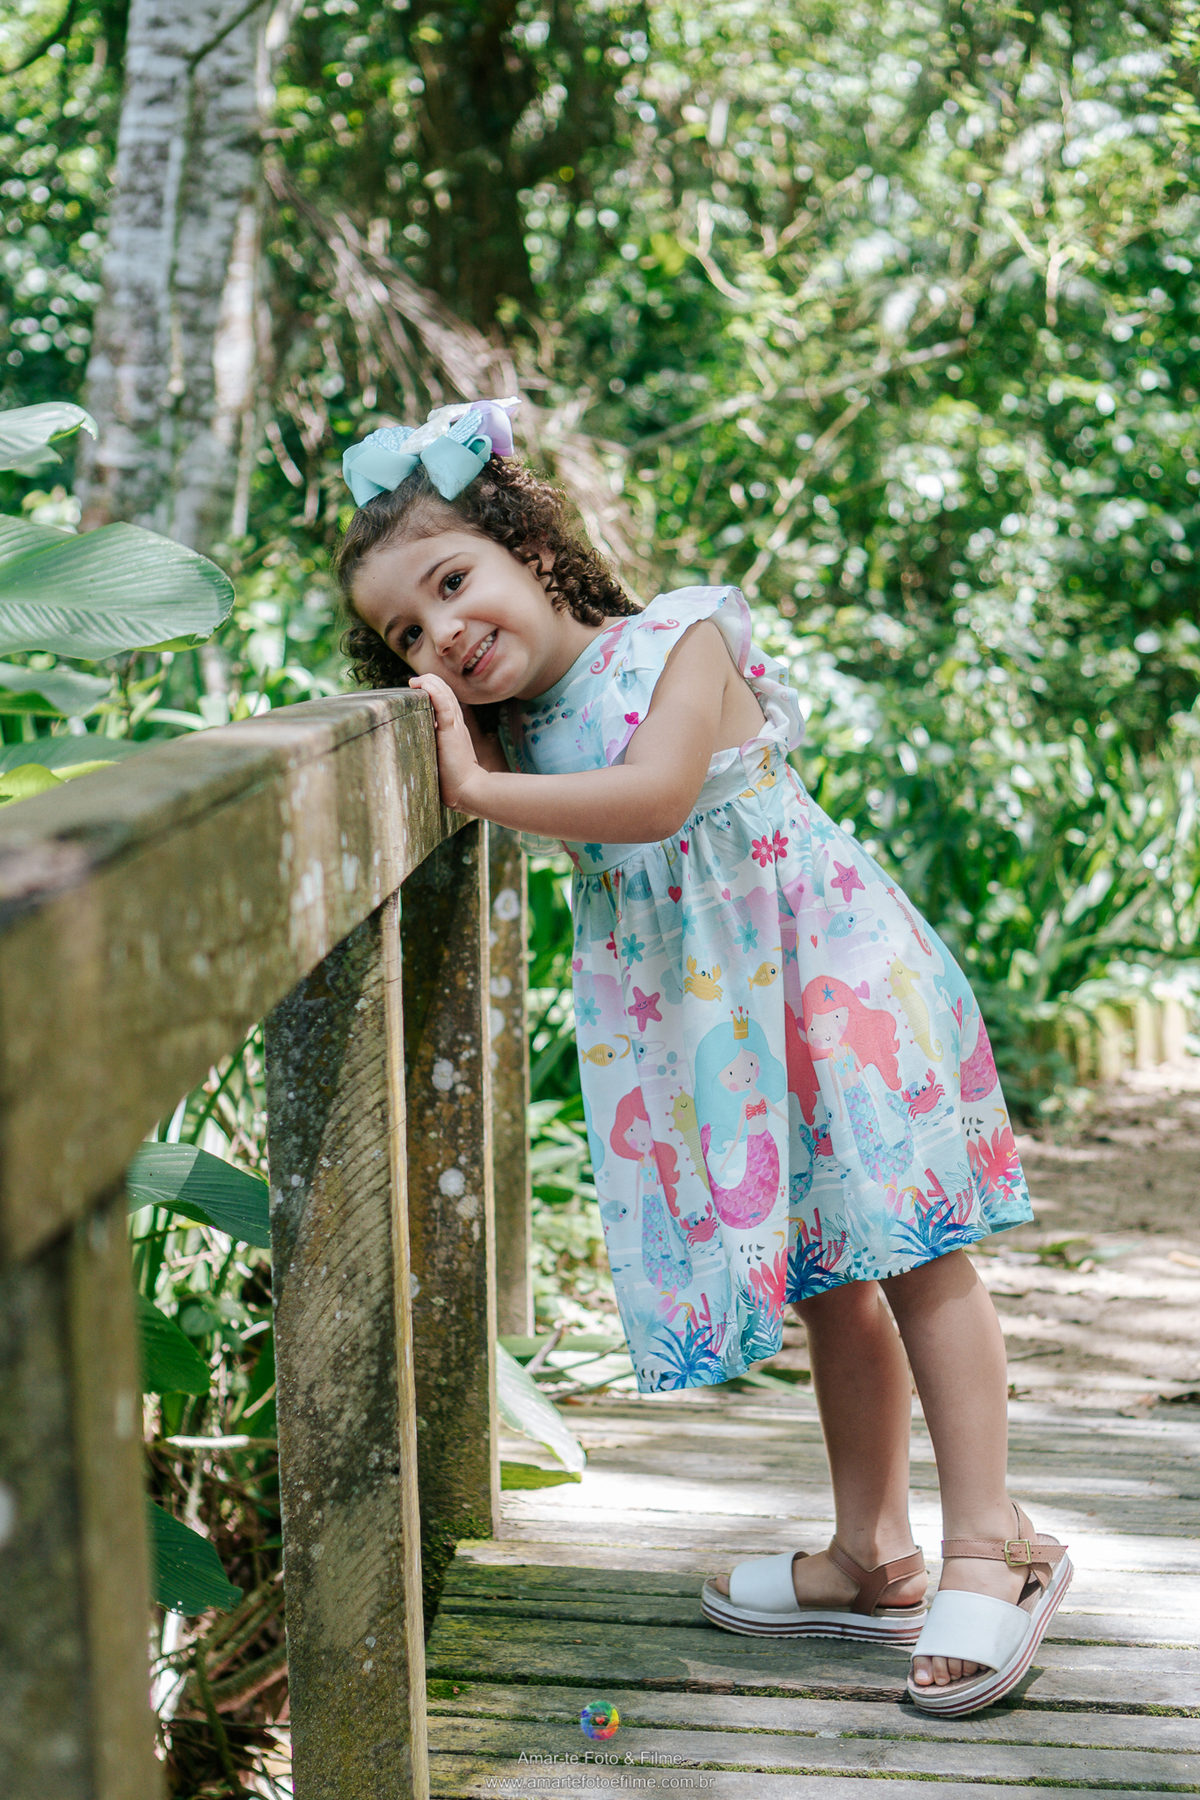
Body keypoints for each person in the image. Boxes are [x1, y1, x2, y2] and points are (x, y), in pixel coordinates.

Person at [336, 398, 1073, 1717]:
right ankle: (872, 1550)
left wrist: (476, 787)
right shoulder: (522, 721)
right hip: (713, 1022)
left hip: (825, 978)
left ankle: (994, 1542)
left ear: (528, 548)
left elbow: (659, 796)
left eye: (454, 583)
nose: (443, 630)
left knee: (910, 1249)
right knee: (826, 1279)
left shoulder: (682, 637)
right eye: (408, 631)